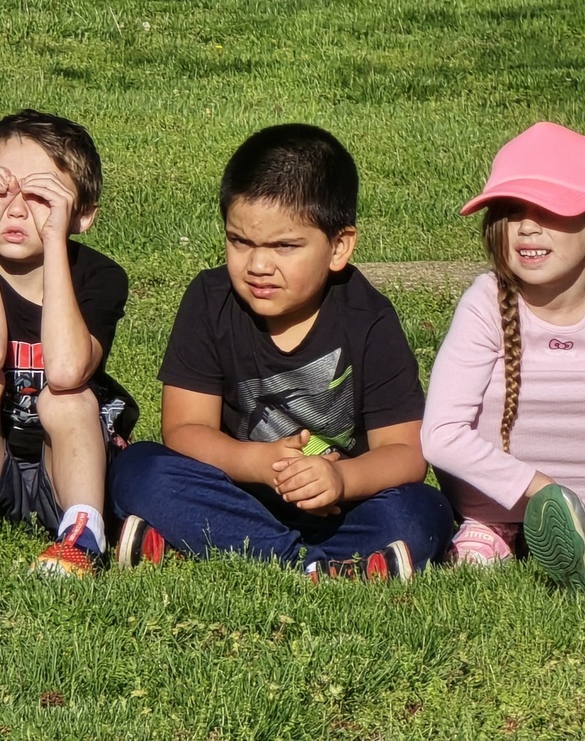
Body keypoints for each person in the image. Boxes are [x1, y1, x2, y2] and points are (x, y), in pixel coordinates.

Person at [109, 123, 452, 581]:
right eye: (239, 241)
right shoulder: (210, 301)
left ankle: (204, 544)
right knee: (138, 468)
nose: (257, 265)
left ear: (339, 246)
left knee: (423, 510)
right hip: (235, 491)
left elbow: (406, 453)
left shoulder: (368, 318)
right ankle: (321, 566)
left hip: (341, 507)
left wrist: (342, 480)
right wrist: (255, 462)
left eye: (285, 246)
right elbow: (184, 428)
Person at [421, 122, 585, 597]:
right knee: (476, 569)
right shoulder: (486, 302)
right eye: (512, 210)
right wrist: (545, 494)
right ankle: (497, 535)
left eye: (550, 209)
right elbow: (440, 436)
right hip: (494, 507)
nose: (527, 225)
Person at [0, 110, 137, 578]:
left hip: (70, 465)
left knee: (69, 397)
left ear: (82, 214)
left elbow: (66, 369)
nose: (15, 208)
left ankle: (82, 534)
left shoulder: (98, 278)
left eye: (40, 196)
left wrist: (56, 244)